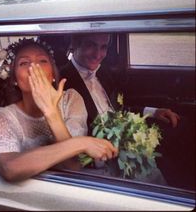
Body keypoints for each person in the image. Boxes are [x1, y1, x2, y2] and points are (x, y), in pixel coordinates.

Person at [60, 33, 195, 189]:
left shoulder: (103, 73)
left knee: (183, 128)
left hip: (126, 138)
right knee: (164, 165)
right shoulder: (63, 80)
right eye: (91, 45)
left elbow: (119, 108)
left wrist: (153, 111)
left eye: (103, 47)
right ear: (75, 43)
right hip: (101, 156)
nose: (98, 54)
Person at [0, 37, 118, 182]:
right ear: (14, 78)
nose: (34, 68)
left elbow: (73, 166)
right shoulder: (1, 115)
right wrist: (81, 143)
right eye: (24, 63)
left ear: (52, 74)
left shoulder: (72, 99)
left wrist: (52, 112)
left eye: (42, 61)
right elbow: (9, 168)